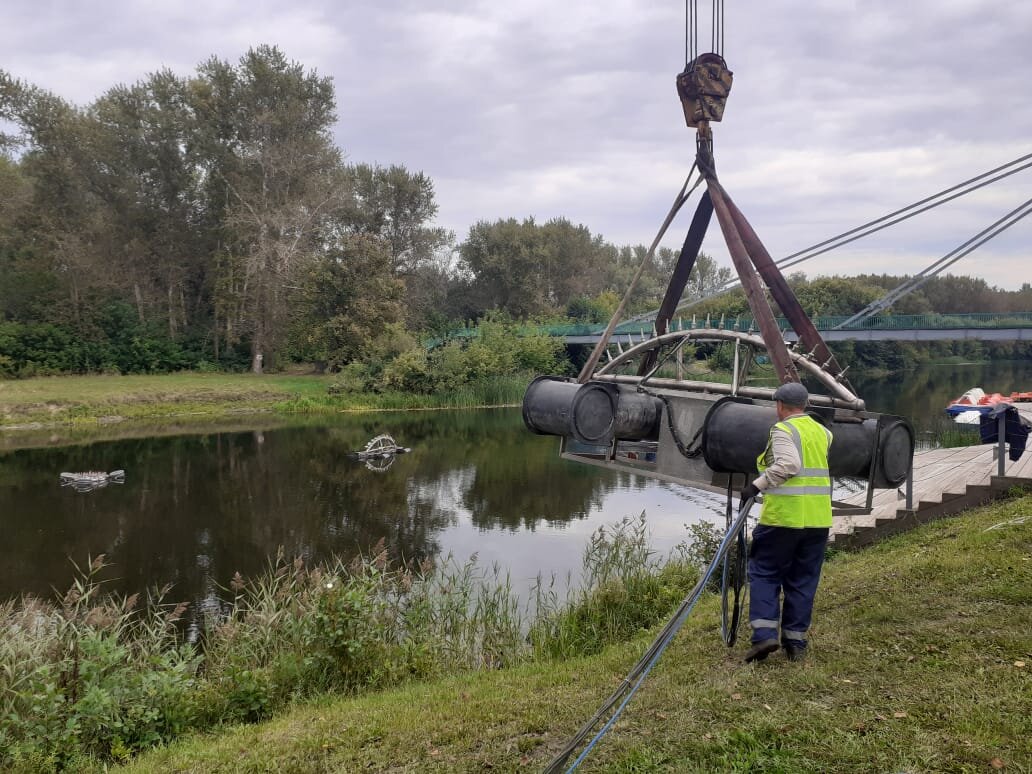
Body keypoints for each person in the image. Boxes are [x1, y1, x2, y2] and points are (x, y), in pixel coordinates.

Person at [739, 381, 833, 663]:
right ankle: (796, 642)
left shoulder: (783, 430)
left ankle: (765, 634)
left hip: (783, 519)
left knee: (765, 572)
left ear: (779, 405)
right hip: (817, 520)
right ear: (804, 405)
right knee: (803, 579)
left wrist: (756, 485)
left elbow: (789, 465)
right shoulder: (823, 432)